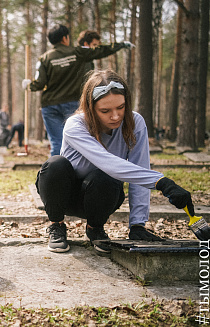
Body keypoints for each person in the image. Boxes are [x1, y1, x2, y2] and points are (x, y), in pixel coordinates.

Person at [35, 70, 195, 255]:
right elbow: (107, 161)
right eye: (105, 110)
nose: (116, 116)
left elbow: (139, 168)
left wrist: (137, 224)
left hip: (101, 196)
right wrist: (161, 182)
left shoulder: (135, 123)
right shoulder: (75, 125)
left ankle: (95, 228)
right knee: (55, 165)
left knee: (105, 176)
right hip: (64, 196)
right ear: (90, 108)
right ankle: (57, 225)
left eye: (121, 107)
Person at [23, 24, 134, 157]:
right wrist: (121, 45)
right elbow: (100, 50)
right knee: (78, 142)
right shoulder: (78, 52)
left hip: (50, 105)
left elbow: (39, 84)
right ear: (65, 38)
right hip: (72, 104)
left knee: (57, 142)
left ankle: (56, 174)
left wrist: (29, 85)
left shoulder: (45, 58)